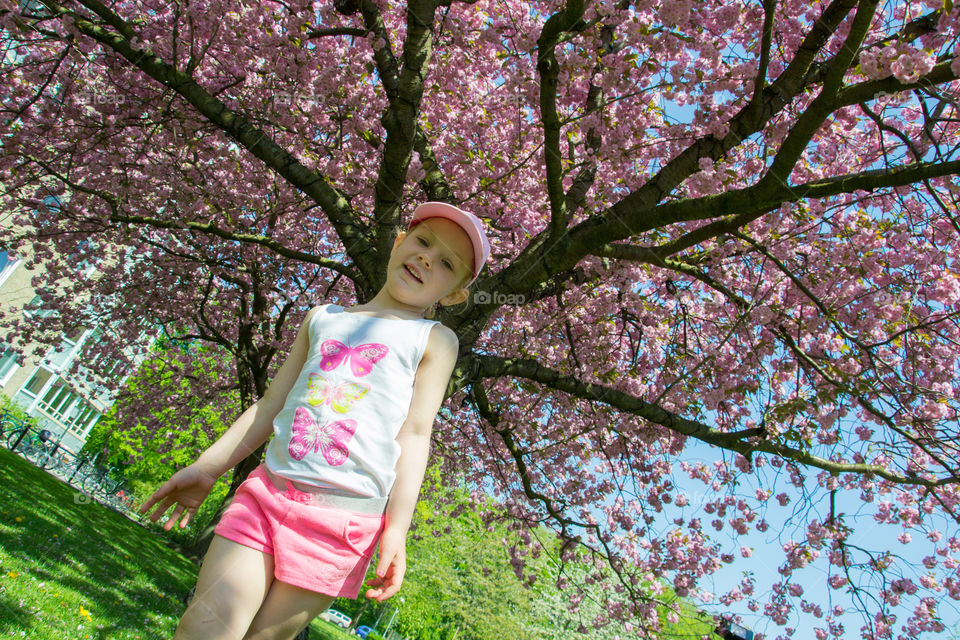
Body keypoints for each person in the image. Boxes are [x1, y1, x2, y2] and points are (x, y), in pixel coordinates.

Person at [140, 202, 491, 640]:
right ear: (399, 242)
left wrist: (397, 529)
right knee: (205, 626)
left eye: (445, 264)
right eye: (422, 242)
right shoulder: (324, 318)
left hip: (341, 525)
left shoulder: (434, 341)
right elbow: (271, 406)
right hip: (266, 497)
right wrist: (209, 467)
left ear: (455, 294)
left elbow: (416, 435)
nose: (425, 259)